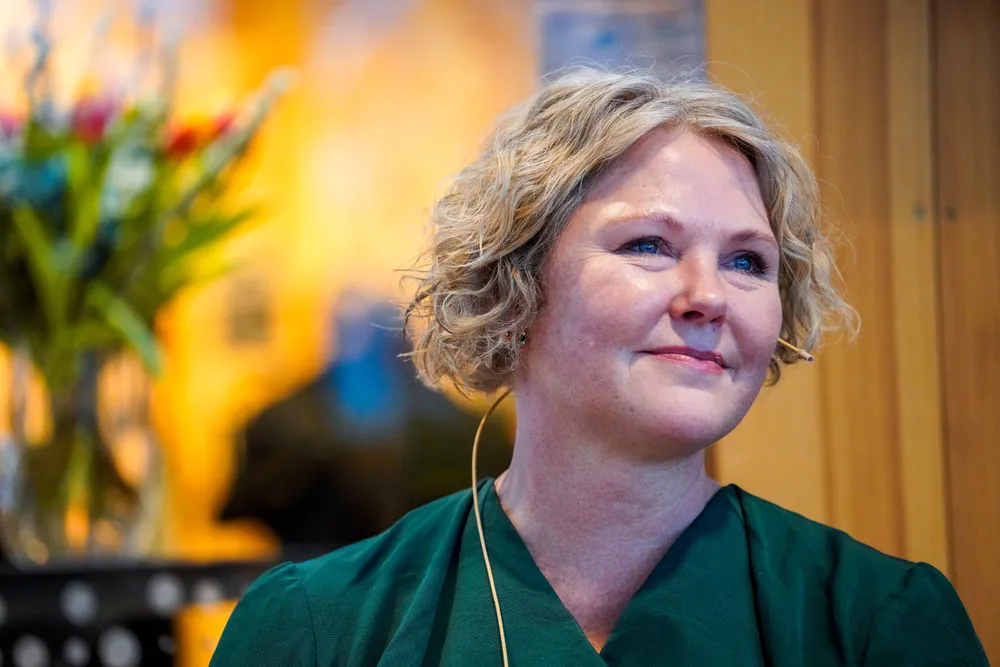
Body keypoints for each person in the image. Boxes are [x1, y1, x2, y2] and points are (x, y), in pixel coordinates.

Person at [209, 69, 988, 666]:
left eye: (748, 261)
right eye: (649, 245)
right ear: (513, 284)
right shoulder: (315, 629)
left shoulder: (878, 623)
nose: (709, 295)